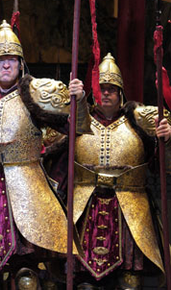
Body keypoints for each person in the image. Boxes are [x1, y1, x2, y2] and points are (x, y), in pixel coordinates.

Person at [0, 20, 89, 289]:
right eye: (0, 60)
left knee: (26, 278)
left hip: (26, 188)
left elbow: (77, 128)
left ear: (21, 63)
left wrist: (78, 101)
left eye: (11, 59)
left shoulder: (35, 94)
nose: (6, 65)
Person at [51, 53, 170, 289]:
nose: (106, 93)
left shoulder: (137, 124)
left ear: (121, 93)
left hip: (129, 209)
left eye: (112, 89)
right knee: (83, 279)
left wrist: (165, 142)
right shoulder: (80, 121)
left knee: (129, 280)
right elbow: (57, 161)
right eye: (102, 88)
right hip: (85, 207)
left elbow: (159, 167)